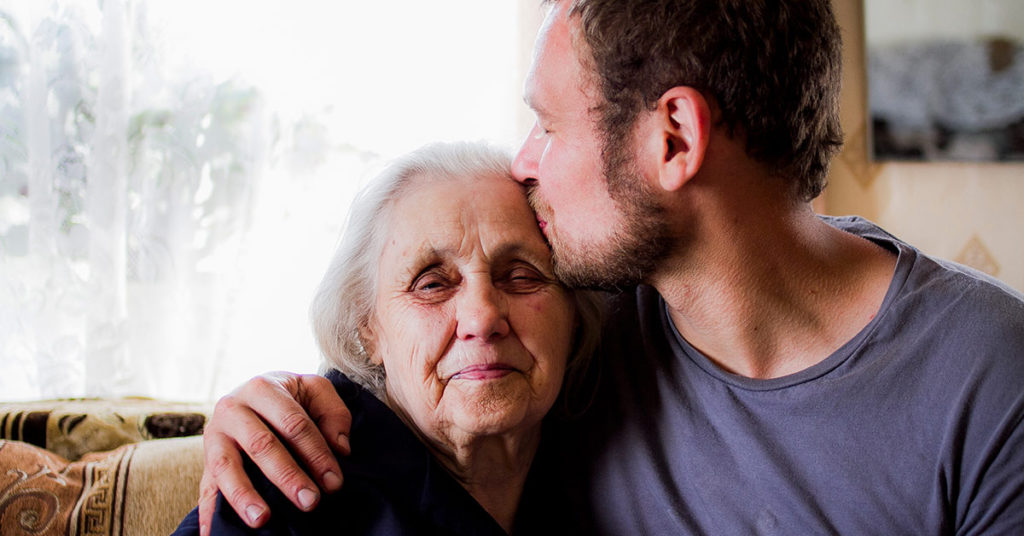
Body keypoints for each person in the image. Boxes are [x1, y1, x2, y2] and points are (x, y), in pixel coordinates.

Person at [197, 1, 1024, 534]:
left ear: (673, 139)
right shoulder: (580, 333)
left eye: (548, 126)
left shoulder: (989, 377)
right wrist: (264, 412)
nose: (525, 165)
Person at [173, 142, 602, 535]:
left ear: (574, 316)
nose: (483, 316)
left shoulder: (607, 458)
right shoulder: (287, 487)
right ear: (368, 328)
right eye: (431, 284)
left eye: (522, 275)